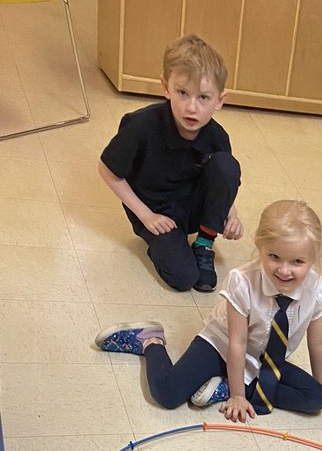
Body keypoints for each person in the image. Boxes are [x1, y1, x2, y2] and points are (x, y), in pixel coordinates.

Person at [94, 199, 322, 419]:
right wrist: (238, 397)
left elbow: (318, 341)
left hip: (263, 357)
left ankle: (224, 386)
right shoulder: (243, 281)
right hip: (220, 344)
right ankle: (150, 341)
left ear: (312, 258)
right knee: (168, 393)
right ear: (259, 246)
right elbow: (237, 342)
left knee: (315, 398)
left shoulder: (317, 288)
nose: (284, 270)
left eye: (297, 262)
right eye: (274, 257)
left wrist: (321, 381)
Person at [98, 34, 242, 293]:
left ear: (219, 100)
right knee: (183, 278)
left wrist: (231, 213)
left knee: (226, 164)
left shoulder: (217, 136)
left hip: (191, 206)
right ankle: (162, 246)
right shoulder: (141, 126)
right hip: (156, 210)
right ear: (166, 88)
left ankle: (204, 244)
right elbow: (107, 170)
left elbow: (222, 180)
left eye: (203, 98)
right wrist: (146, 215)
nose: (191, 108)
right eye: (182, 93)